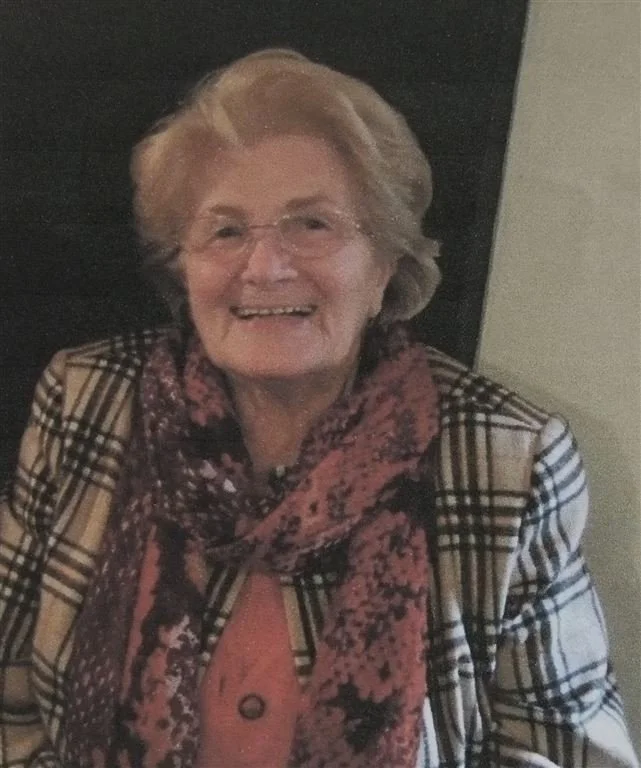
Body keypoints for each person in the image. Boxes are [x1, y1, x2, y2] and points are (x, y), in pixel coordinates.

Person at [0, 48, 637, 768]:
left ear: (385, 266)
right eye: (226, 230)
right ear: (183, 267)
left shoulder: (505, 460)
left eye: (311, 225)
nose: (264, 267)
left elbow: (564, 752)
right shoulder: (86, 399)